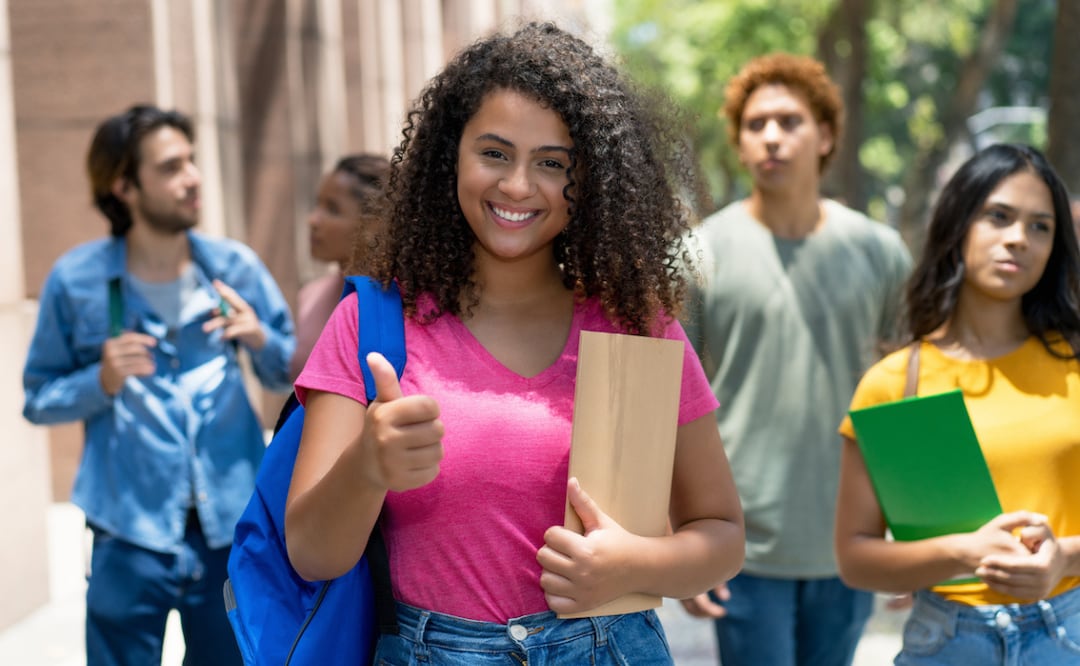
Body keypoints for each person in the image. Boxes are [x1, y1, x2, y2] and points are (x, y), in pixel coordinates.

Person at [283, 21, 745, 664]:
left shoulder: (637, 325)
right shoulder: (370, 324)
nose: (519, 186)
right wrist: (369, 466)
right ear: (451, 156)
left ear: (593, 183)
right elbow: (310, 552)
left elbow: (721, 534)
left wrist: (636, 563)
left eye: (553, 164)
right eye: (495, 153)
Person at [22, 105, 295, 666]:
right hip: (128, 534)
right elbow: (39, 399)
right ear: (124, 186)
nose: (193, 177)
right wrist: (100, 379)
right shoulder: (77, 281)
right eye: (172, 167)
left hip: (230, 530)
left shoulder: (233, 269)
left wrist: (259, 338)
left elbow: (294, 377)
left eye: (191, 161)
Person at [680, 53, 914, 666]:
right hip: (741, 545)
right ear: (739, 143)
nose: (772, 136)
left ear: (827, 135)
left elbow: (911, 394)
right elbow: (670, 402)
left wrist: (920, 534)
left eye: (790, 120)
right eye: (755, 125)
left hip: (850, 540)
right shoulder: (700, 253)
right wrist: (684, 540)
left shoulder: (880, 251)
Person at [835, 143, 1080, 664]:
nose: (1019, 238)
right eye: (999, 216)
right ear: (958, 223)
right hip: (946, 641)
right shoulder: (894, 382)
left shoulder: (1076, 365)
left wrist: (1063, 557)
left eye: (1041, 226)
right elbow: (856, 558)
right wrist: (961, 552)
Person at [289, 153, 390, 381]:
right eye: (317, 204)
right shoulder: (310, 296)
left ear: (375, 223)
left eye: (333, 209)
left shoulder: (400, 303)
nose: (313, 220)